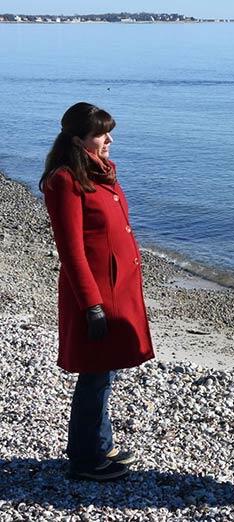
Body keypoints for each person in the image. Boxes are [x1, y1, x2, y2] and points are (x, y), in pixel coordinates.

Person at [40, 102, 155, 481]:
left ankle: (99, 444)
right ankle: (84, 461)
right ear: (78, 140)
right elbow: (71, 251)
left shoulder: (100, 174)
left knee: (106, 372)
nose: (109, 139)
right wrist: (91, 306)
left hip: (117, 289)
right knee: (94, 375)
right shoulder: (65, 182)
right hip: (95, 295)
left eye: (109, 131)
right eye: (100, 134)